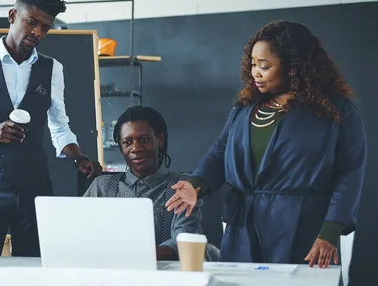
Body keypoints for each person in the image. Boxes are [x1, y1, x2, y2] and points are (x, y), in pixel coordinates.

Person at [166, 20, 366, 268]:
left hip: (304, 229)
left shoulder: (335, 111)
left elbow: (350, 173)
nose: (255, 73)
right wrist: (196, 184)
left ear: (294, 67)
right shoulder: (245, 107)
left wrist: (331, 230)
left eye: (265, 66)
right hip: (242, 228)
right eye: (252, 64)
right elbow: (220, 151)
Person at [0, 0, 102, 257]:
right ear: (13, 16)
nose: (37, 32)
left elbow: (59, 125)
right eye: (31, 22)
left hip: (35, 189)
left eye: (45, 27)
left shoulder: (52, 68)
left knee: (33, 269)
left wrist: (79, 158)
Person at [83, 106, 219, 261]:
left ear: (159, 140)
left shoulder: (181, 186)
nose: (136, 148)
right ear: (121, 147)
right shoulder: (102, 187)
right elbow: (80, 232)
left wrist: (133, 256)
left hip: (167, 279)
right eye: (127, 142)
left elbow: (185, 239)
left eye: (144, 140)